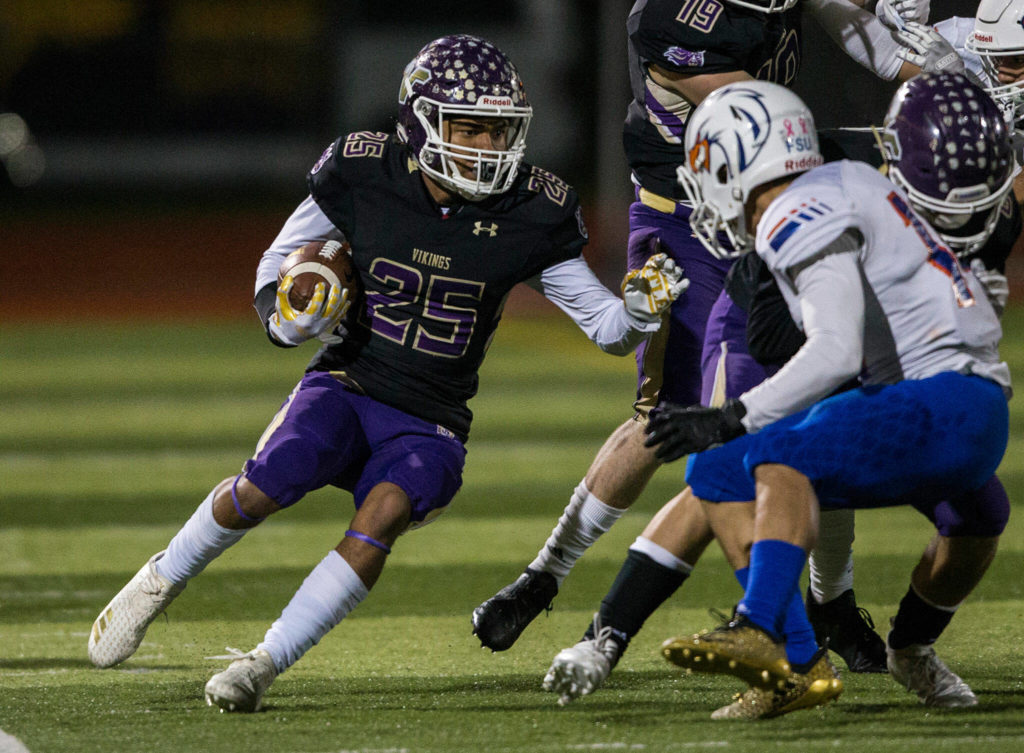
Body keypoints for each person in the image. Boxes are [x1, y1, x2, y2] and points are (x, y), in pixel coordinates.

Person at [86, 34, 687, 713]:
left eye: (500, 130)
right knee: (267, 482)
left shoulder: (531, 211)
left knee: (386, 512)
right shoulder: (360, 171)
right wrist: (294, 319)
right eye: (470, 128)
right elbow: (274, 274)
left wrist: (638, 311)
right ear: (421, 122)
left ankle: (262, 663)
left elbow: (607, 329)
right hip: (348, 382)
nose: (489, 146)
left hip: (432, 419)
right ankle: (161, 576)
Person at [472, 0, 936, 669]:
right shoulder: (668, 17)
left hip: (773, 204)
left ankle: (829, 602)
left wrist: (952, 66)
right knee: (665, 418)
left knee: (819, 410)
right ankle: (545, 573)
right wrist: (901, 136)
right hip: (691, 224)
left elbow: (885, 54)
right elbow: (760, 107)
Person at [644, 73, 1012, 719]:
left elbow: (836, 346)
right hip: (960, 400)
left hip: (933, 396)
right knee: (980, 516)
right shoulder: (853, 180)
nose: (962, 209)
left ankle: (771, 637)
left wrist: (734, 414)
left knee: (763, 461)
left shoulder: (816, 196)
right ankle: (905, 648)